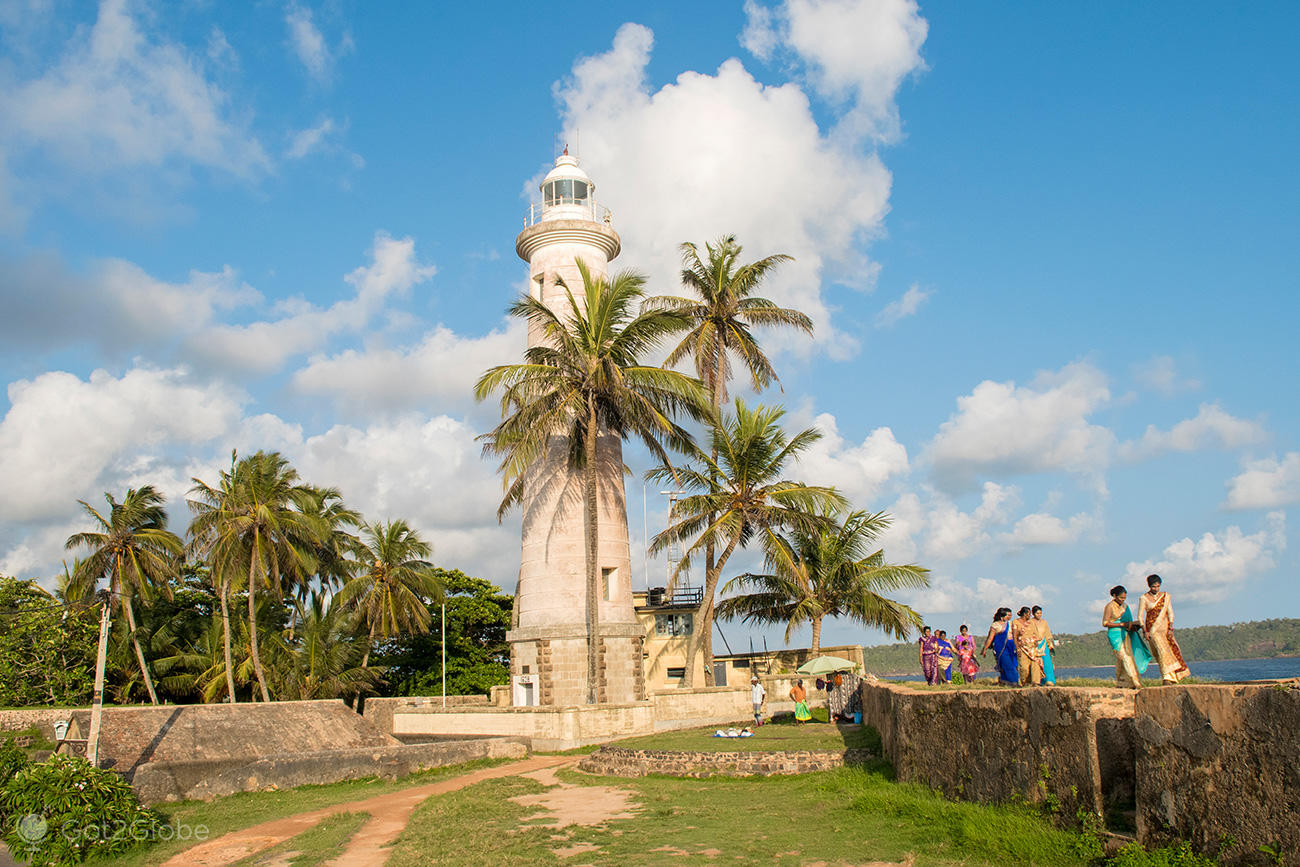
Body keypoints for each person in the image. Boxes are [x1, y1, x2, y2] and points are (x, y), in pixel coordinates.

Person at [1138, 574, 1190, 685]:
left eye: (1158, 586)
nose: (1156, 589)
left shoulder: (1165, 596)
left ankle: (1170, 678)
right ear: (1149, 586)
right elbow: (1140, 616)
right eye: (1153, 586)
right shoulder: (1144, 598)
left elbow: (1170, 612)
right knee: (1161, 652)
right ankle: (1167, 678)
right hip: (1152, 630)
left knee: (1169, 651)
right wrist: (1144, 631)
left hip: (1165, 628)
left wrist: (1170, 628)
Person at [1102, 585, 1152, 689]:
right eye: (1121, 598)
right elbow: (1105, 623)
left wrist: (1133, 625)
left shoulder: (1125, 606)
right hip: (1116, 634)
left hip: (1127, 634)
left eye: (1124, 598)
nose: (1123, 600)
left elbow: (1129, 621)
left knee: (1123, 659)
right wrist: (1121, 624)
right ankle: (1135, 681)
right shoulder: (1109, 606)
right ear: (1114, 596)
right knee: (1125, 657)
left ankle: (1123, 683)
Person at [980, 608, 1020, 685]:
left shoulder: (1011, 624)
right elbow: (990, 638)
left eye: (1010, 615)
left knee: (1013, 664)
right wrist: (985, 649)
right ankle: (1013, 681)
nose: (1010, 617)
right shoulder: (995, 625)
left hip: (1011, 647)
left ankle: (1005, 681)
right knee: (1007, 664)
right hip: (1001, 648)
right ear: (1002, 616)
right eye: (1008, 615)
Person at [1013, 606, 1044, 685]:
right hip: (1022, 647)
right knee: (1024, 667)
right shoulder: (1015, 622)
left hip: (1032, 647)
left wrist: (1036, 641)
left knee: (1035, 664)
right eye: (1029, 614)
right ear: (1025, 614)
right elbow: (1014, 636)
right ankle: (1025, 682)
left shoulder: (1031, 623)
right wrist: (1017, 648)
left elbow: (1035, 633)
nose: (1030, 615)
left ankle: (1036, 682)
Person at [1032, 605, 1057, 685]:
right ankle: (1040, 680)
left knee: (1047, 662)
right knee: (1037, 663)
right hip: (1034, 645)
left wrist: (1050, 644)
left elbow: (1047, 634)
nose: (1039, 615)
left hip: (1043, 644)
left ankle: (1049, 680)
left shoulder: (1044, 622)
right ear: (1033, 614)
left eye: (1040, 613)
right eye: (1037, 613)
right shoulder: (1030, 622)